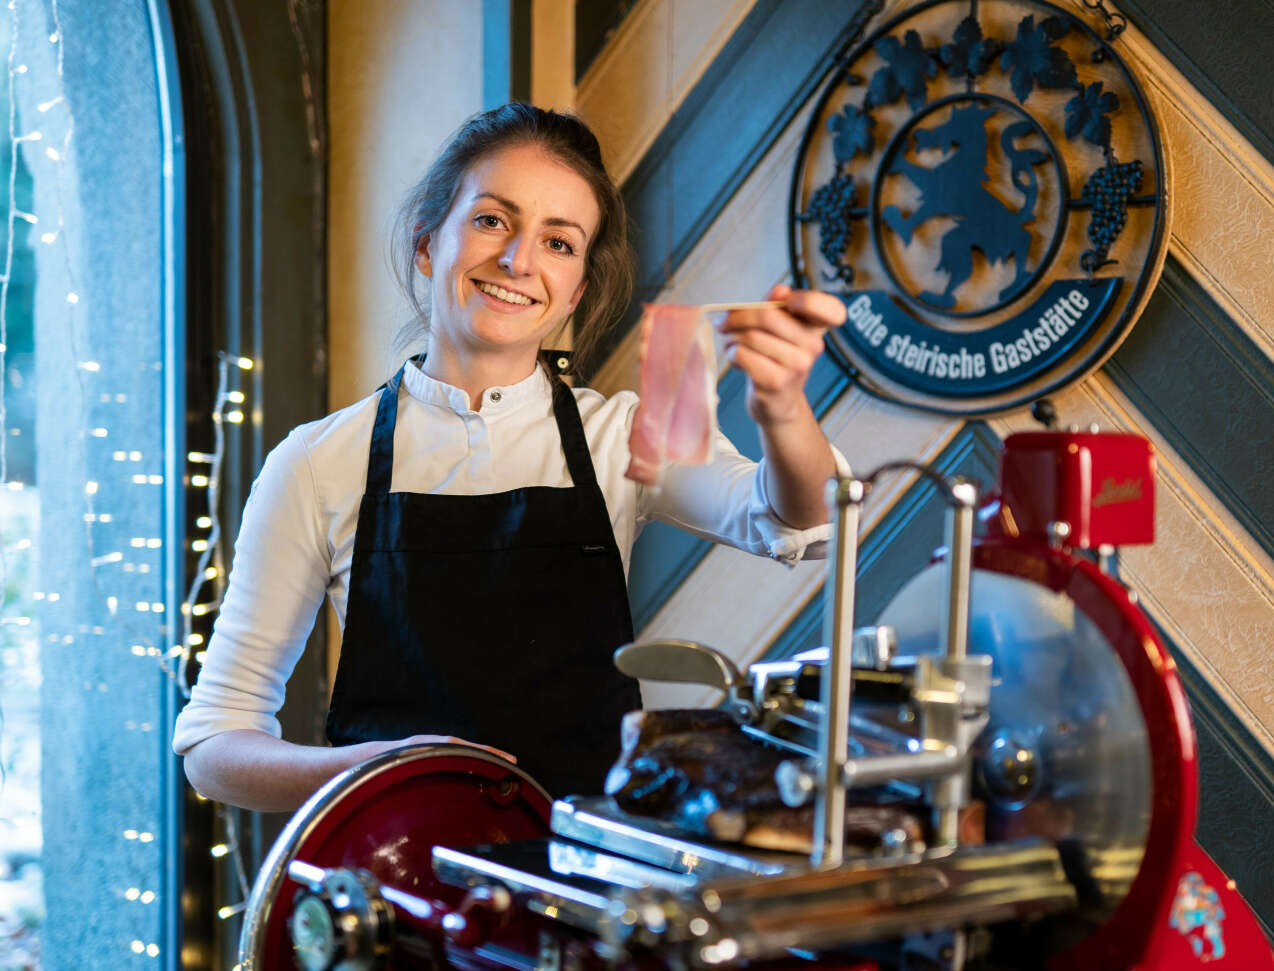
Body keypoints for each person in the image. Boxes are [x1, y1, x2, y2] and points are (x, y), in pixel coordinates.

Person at [174, 103, 848, 811]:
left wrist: (782, 411)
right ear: (428, 244)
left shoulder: (625, 434)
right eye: (492, 220)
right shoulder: (317, 461)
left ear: (576, 292)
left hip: (582, 886)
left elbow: (797, 522)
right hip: (396, 885)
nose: (519, 260)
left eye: (559, 243)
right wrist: (369, 771)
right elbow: (216, 748)